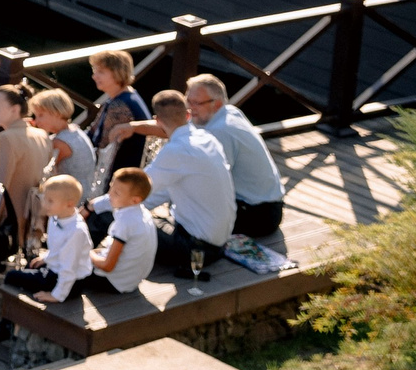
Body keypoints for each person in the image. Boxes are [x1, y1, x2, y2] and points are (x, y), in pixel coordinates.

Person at [130, 87, 234, 271]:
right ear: (187, 115)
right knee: (135, 211)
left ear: (157, 120)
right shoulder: (207, 139)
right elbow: (161, 191)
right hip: (219, 244)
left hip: (194, 249)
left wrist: (94, 206)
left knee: (120, 216)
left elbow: (135, 187)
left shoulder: (175, 150)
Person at [183, 75, 285, 239]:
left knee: (188, 216)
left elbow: (211, 181)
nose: (190, 108)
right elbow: (183, 126)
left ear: (216, 104)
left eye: (197, 103)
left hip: (259, 215)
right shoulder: (230, 111)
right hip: (270, 205)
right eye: (188, 101)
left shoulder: (220, 131)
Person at [0, 177, 98, 302]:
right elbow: (58, 248)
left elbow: (69, 269)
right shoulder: (56, 217)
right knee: (30, 266)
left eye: (50, 201)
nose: (44, 204)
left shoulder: (76, 231)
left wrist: (56, 296)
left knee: (11, 277)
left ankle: (7, 321)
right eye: (44, 199)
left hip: (70, 282)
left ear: (70, 204)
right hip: (57, 269)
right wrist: (46, 258)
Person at [0, 84, 48, 263]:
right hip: (33, 222)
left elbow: (0, 191)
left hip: (9, 228)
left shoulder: (5, 139)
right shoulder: (42, 135)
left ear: (14, 109)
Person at [87, 166, 159, 294]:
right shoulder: (143, 214)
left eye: (116, 193)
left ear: (135, 199)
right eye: (111, 188)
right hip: (131, 281)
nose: (109, 195)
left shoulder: (125, 222)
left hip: (111, 282)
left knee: (68, 263)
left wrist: (87, 253)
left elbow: (107, 266)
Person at [85, 49, 149, 185]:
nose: (94, 76)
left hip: (121, 179)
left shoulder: (120, 106)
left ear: (117, 73)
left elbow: (102, 145)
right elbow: (93, 131)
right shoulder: (123, 97)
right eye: (94, 71)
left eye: (100, 72)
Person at [27, 88, 97, 199]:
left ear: (57, 113)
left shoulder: (59, 143)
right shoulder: (74, 131)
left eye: (40, 115)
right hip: (84, 192)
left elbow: (37, 171)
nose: (36, 121)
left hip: (73, 200)